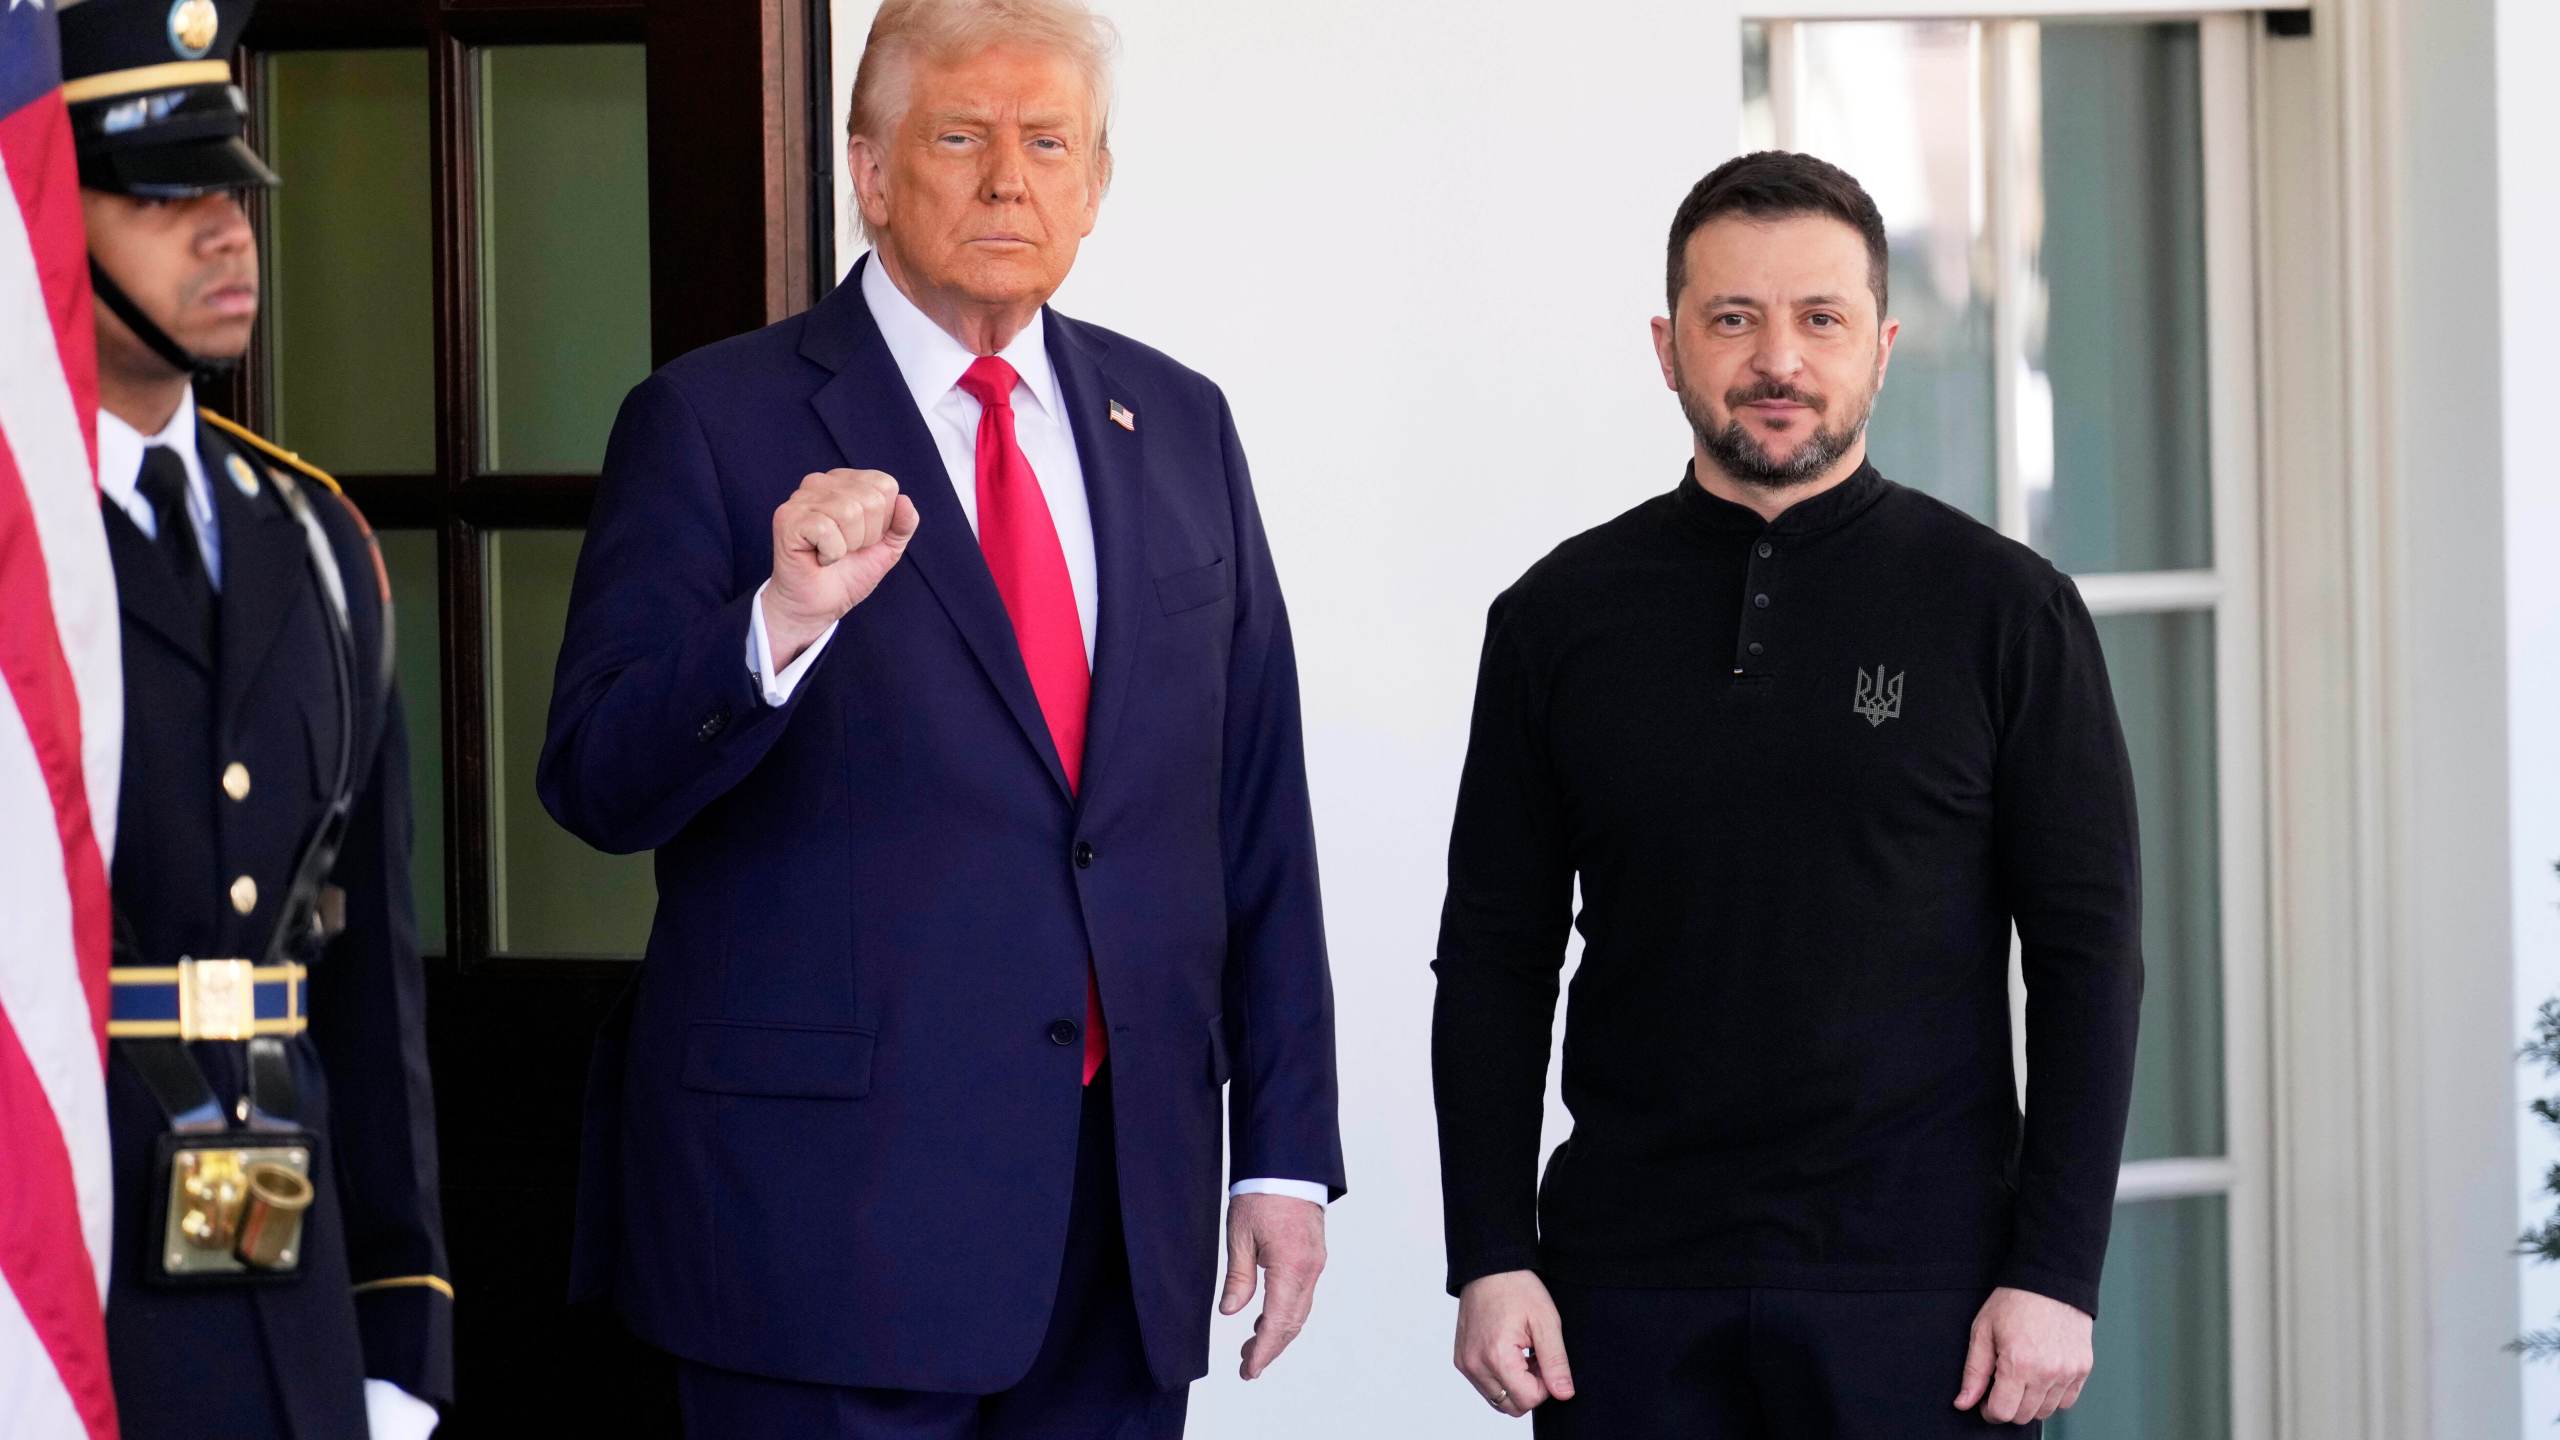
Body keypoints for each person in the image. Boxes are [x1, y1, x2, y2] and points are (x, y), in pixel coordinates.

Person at [537, 1, 1343, 1433]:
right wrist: (773, 626)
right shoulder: (712, 422)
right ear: (868, 168)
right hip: (816, 1236)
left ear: (1097, 182)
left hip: (1118, 1224)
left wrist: (1280, 1153)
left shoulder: (1183, 425)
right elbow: (597, 780)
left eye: (1049, 143)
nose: (1006, 180)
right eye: (960, 136)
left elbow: (1253, 806)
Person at [1431, 150, 2144, 1436]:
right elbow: (1492, 956)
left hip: (1928, 1297)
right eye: (1732, 318)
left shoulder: (2004, 610)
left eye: (1818, 319)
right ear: (1666, 345)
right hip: (1624, 1294)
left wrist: (2054, 1272)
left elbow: (2090, 957)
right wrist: (1489, 1250)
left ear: (1879, 343)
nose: (1778, 360)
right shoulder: (1555, 619)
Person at [61, 1, 452, 1436]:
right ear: (39, 218)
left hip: (280, 1287)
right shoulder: (16, 533)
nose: (228, 233)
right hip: (56, 1278)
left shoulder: (316, 541)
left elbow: (369, 978)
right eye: (165, 197)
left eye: (232, 188)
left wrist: (399, 1324)